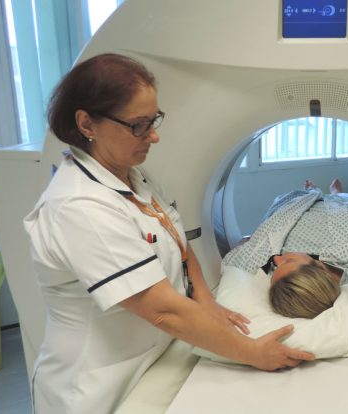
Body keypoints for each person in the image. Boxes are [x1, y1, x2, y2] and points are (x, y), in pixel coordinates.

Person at [23, 53, 314, 414]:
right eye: (138, 125)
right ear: (87, 123)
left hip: (152, 357)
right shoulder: (78, 207)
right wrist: (254, 353)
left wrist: (207, 303)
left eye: (154, 120)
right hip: (96, 384)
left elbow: (179, 242)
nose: (154, 136)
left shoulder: (132, 176)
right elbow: (162, 310)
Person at [222, 178, 348, 319]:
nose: (276, 259)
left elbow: (243, 245)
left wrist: (251, 240)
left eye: (276, 268)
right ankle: (335, 193)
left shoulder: (261, 268)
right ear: (319, 265)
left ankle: (315, 192)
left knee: (287, 200)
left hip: (298, 211)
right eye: (288, 261)